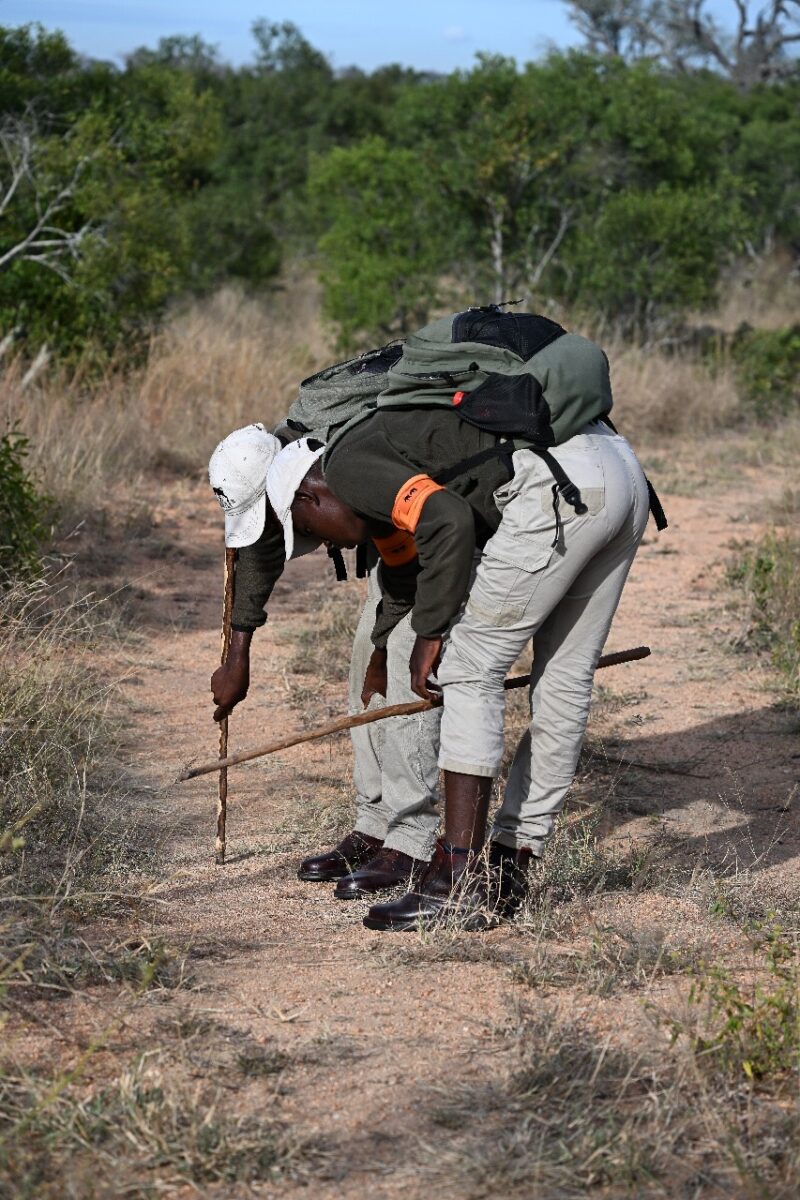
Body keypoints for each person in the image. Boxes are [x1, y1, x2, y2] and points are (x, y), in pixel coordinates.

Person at [262, 389, 652, 932]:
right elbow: (407, 567)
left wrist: (433, 633)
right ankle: (511, 868)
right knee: (564, 677)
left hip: (558, 486)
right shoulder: (388, 452)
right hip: (620, 470)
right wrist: (383, 647)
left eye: (309, 532)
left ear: (309, 497)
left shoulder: (350, 467)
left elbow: (447, 520)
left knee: (469, 668)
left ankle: (456, 882)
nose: (322, 545)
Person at [208, 423, 441, 898]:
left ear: (307, 492)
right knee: (367, 665)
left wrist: (401, 639)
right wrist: (237, 655)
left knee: (402, 662)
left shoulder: (346, 456)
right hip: (396, 538)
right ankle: (377, 823)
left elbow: (438, 533)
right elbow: (259, 546)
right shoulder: (292, 454)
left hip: (438, 533)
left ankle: (412, 840)